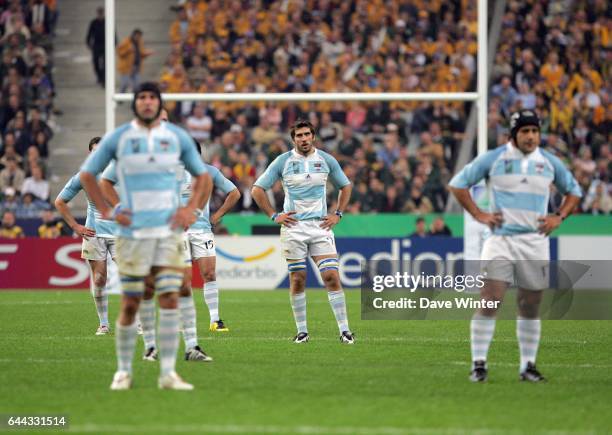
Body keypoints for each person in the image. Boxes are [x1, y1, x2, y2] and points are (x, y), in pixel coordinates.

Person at [79, 82, 212, 391]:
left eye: (153, 98)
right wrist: (111, 210)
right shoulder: (121, 139)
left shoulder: (177, 138)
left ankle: (168, 372)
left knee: (169, 297)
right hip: (133, 234)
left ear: (160, 104)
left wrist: (190, 210)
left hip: (167, 234)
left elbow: (203, 177)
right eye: (143, 98)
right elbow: (92, 176)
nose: (148, 103)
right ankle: (123, 371)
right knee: (131, 301)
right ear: (136, 104)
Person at [449, 109, 582, 383]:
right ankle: (479, 364)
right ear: (514, 134)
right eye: (525, 131)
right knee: (491, 299)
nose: (531, 136)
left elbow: (574, 191)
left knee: (531, 304)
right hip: (501, 240)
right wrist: (479, 214)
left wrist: (560, 216)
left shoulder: (548, 162)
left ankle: (528, 366)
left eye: (534, 131)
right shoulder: (494, 158)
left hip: (535, 241)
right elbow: (458, 185)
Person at [251, 119, 355, 344]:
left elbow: (345, 186)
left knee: (331, 276)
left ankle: (345, 330)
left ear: (313, 136)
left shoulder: (326, 160)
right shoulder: (283, 161)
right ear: (293, 139)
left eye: (307, 134)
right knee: (298, 279)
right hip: (294, 228)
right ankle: (302, 332)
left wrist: (338, 213)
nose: (304, 139)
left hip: (320, 226)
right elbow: (257, 189)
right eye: (299, 135)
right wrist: (274, 215)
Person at [55, 136, 117, 335]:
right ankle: (104, 323)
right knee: (99, 278)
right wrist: (75, 226)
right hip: (94, 232)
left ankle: (141, 324)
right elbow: (60, 202)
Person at [117, 29, 153, 93]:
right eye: (137, 36)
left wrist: (147, 53)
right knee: (124, 84)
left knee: (137, 85)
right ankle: (120, 98)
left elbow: (141, 53)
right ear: (133, 35)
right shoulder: (126, 42)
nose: (138, 38)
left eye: (139, 36)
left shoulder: (140, 42)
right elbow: (119, 53)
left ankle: (135, 99)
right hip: (126, 67)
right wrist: (128, 50)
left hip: (136, 67)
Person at [85, 7, 105, 87]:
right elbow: (89, 33)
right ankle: (99, 77)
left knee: (105, 63)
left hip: (105, 45)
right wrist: (88, 43)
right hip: (96, 45)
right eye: (99, 13)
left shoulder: (107, 22)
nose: (100, 14)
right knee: (96, 63)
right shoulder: (93, 22)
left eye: (101, 13)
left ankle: (104, 79)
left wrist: (114, 43)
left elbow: (113, 32)